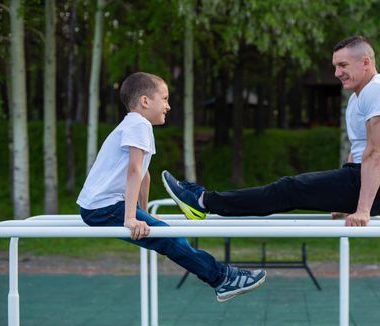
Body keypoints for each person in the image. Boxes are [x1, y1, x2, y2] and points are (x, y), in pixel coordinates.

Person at [162, 35, 380, 227]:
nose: (337, 73)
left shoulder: (378, 91)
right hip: (363, 180)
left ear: (366, 62)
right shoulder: (359, 97)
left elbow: (376, 153)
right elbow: (358, 152)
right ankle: (205, 199)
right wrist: (344, 201)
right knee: (289, 189)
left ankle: (203, 201)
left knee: (289, 189)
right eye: (335, 66)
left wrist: (363, 209)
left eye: (343, 65)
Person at [77, 72, 266, 302]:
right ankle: (222, 279)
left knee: (167, 236)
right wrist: (130, 218)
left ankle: (222, 278)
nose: (168, 106)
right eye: (164, 99)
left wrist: (142, 214)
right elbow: (134, 171)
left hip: (104, 205)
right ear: (145, 101)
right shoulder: (138, 125)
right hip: (103, 206)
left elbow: (144, 175)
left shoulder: (136, 125)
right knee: (171, 239)